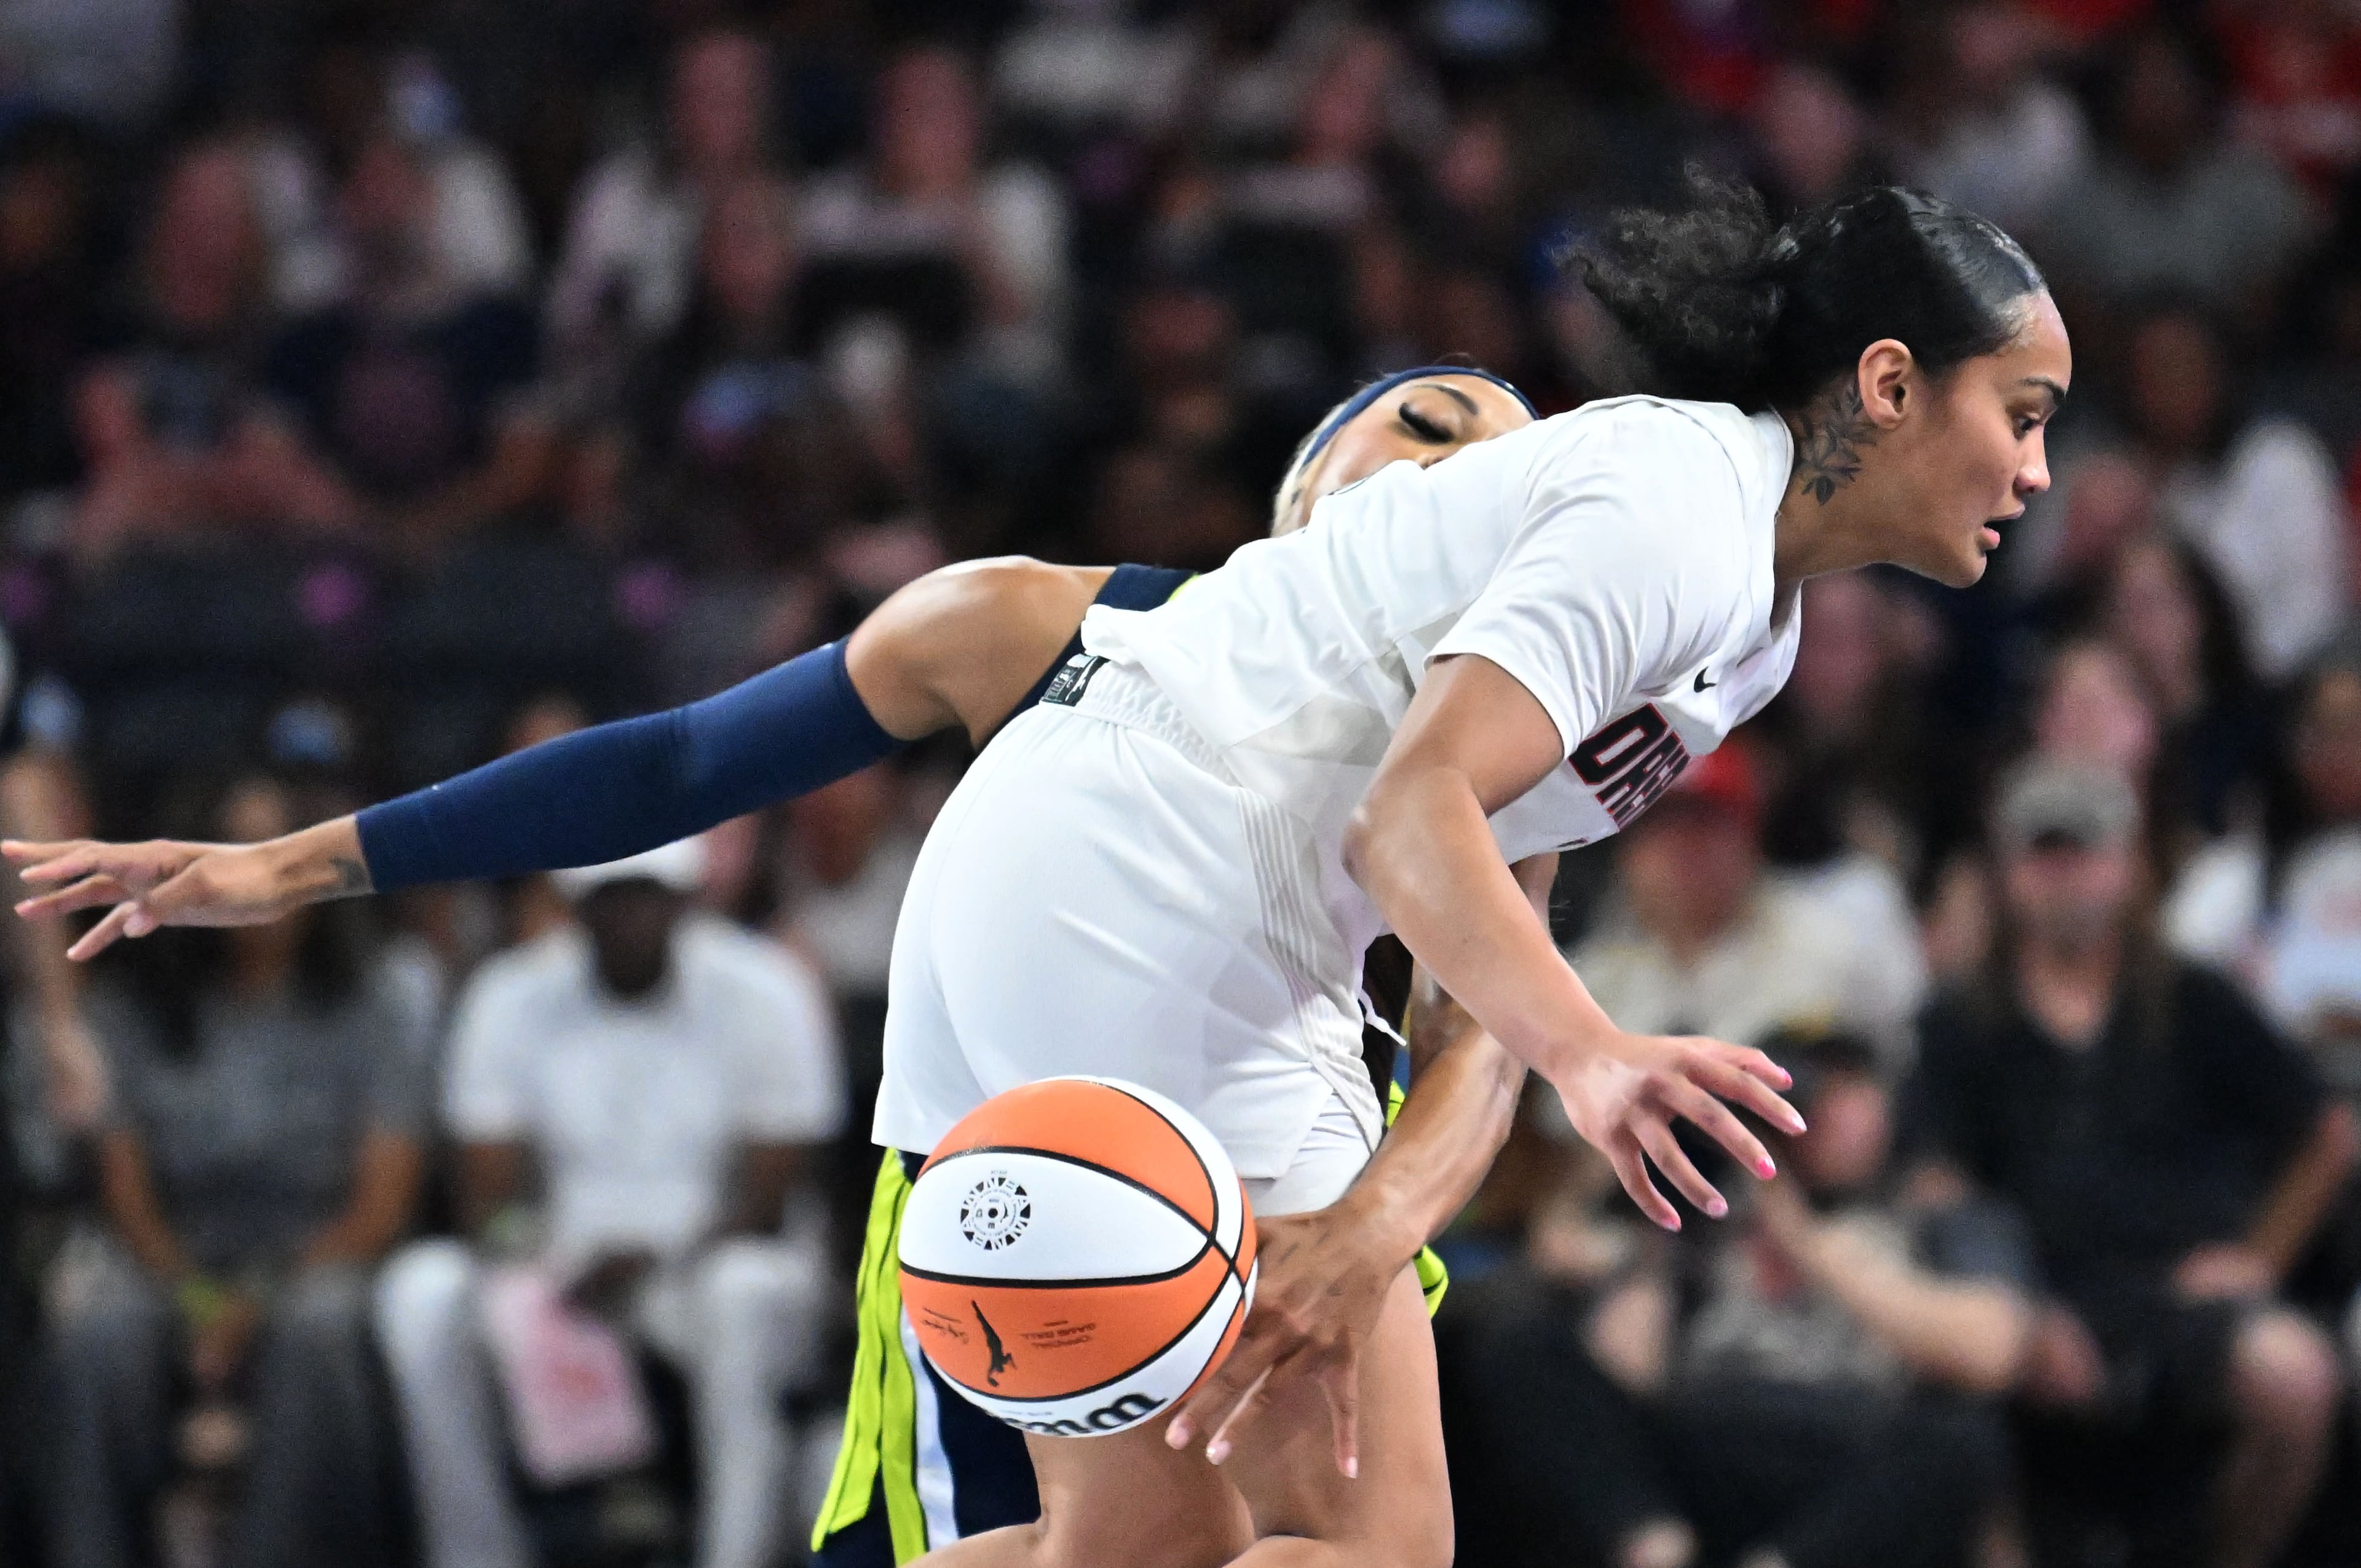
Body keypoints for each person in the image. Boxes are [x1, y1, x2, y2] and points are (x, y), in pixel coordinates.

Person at [5, 363, 1540, 1562]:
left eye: (1508, 471)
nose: (1462, 472)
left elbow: (1481, 1033)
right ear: (1300, 490)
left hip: (1289, 1171)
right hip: (1036, 1168)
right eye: (1425, 425)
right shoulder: (1035, 619)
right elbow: (678, 764)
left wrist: (1375, 1220)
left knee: (1206, 1550)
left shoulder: (1506, 740)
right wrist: (290, 862)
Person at [1904, 756, 2357, 1568]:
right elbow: (1936, 1183)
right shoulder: (1962, 1016)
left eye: (2085, 852)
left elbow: (2326, 1129)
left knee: (2299, 1377)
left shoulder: (2191, 995)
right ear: (2009, 870)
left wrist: (2260, 1257)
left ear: (2128, 865)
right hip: (2030, 1299)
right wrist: (2016, 1308)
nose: (2065, 875)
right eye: (2045, 853)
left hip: (2180, 1289)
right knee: (1953, 1390)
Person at [375, 838, 843, 1568]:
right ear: (574, 907)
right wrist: (539, 1259)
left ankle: (735, 1555)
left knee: (742, 1294)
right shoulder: (509, 994)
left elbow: (770, 1196)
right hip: (561, 1265)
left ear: (685, 901)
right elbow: (489, 1195)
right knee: (422, 1293)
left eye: (647, 896)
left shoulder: (765, 987)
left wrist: (661, 1258)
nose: (630, 917)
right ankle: (478, 1555)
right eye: (610, 898)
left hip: (710, 1260)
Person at [1457, 1029, 2030, 1568]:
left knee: (1962, 1439)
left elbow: (1992, 1353)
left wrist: (1807, 1245)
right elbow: (1632, 1367)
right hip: (1707, 1439)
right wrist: (1652, 1229)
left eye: (1846, 1086)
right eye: (1798, 1092)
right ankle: (1658, 1550)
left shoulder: (1933, 1213)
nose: (1819, 1112)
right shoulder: (1710, 1212)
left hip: (1855, 1448)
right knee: (1523, 1349)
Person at [42, 771, 429, 1568]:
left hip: (317, 1250)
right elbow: (127, 1189)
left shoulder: (375, 997)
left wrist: (254, 1300)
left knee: (318, 1329)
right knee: (96, 1333)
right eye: (231, 851)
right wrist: (194, 1293)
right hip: (174, 1254)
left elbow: (382, 1202)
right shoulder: (134, 1003)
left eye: (270, 849)